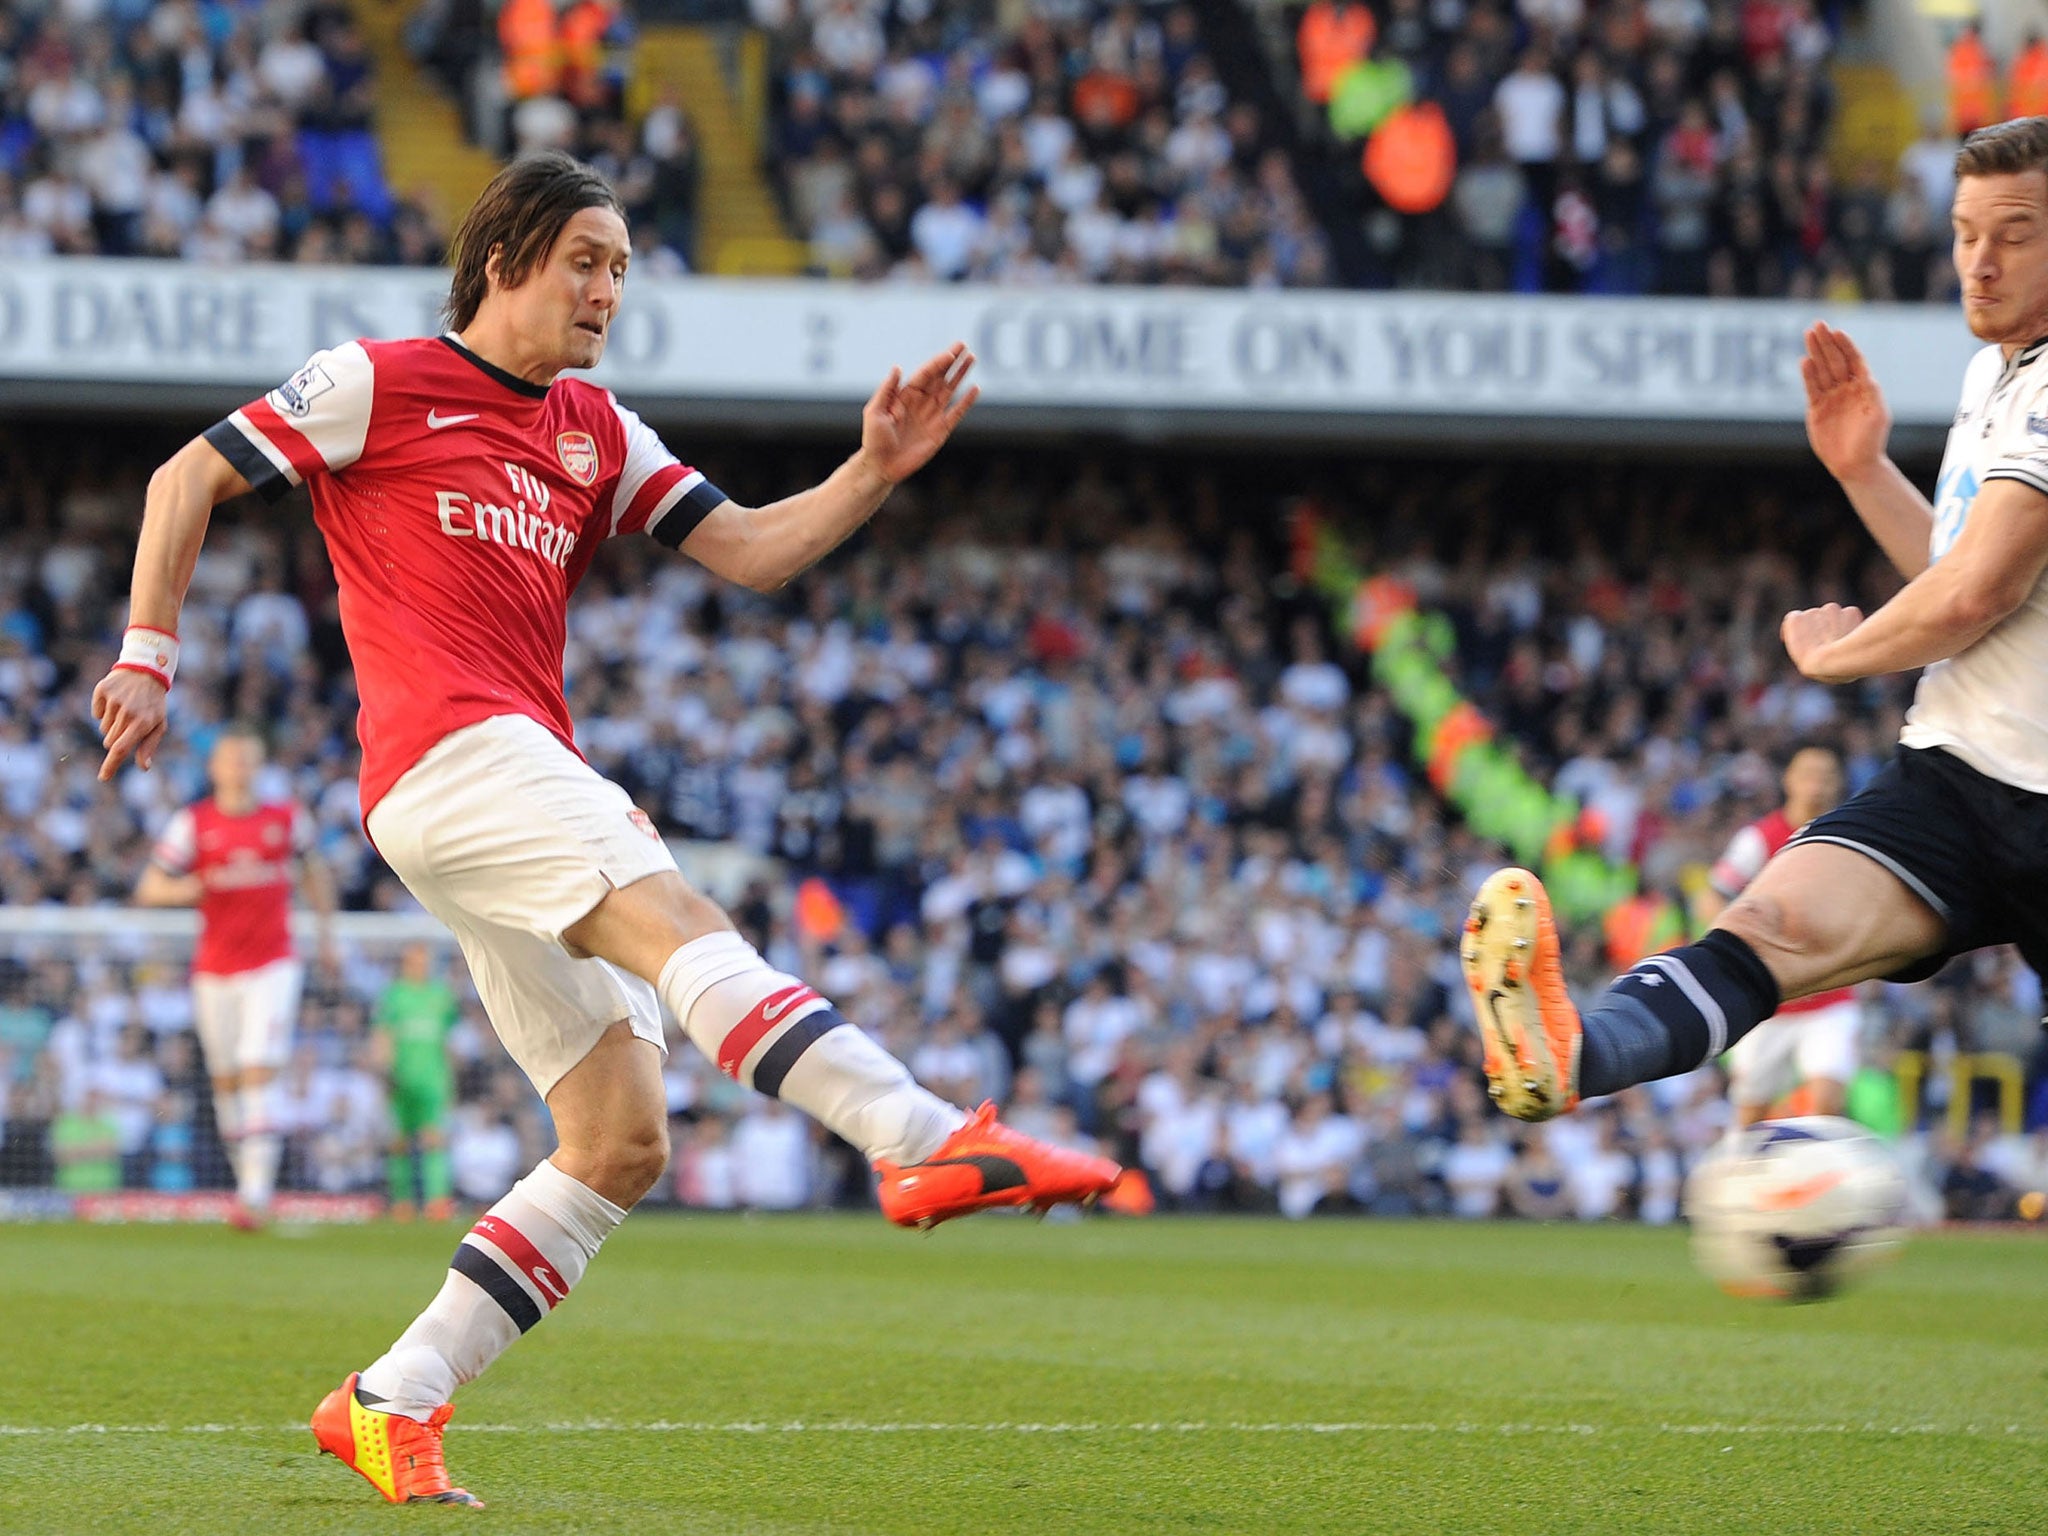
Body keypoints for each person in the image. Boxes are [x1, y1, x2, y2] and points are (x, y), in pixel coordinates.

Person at [91, 151, 1140, 1510]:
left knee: (619, 1139)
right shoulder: (377, 381)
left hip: (494, 778)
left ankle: (387, 1401)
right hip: (457, 754)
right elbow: (186, 478)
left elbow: (753, 552)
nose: (607, 291)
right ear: (508, 255)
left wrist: (873, 469)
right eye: (587, 260)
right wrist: (148, 656)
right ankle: (916, 1132)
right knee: (683, 921)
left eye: (623, 270)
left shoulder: (596, 430)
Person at [1459, 117, 2048, 1131]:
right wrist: (1863, 470)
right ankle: (1569, 1051)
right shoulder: (1991, 374)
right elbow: (1959, 575)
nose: (1978, 263)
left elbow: (1971, 597)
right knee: (1770, 923)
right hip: (1958, 773)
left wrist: (1837, 658)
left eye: (2015, 232)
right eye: (1962, 233)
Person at [134, 725, 336, 1227]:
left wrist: (327, 935)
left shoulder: (286, 819)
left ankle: (254, 1194)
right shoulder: (194, 823)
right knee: (226, 1080)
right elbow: (151, 886)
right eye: (232, 759)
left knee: (256, 1065)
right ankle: (246, 1183)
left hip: (273, 963)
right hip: (215, 968)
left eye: (250, 759)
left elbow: (315, 871)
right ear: (215, 768)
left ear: (260, 767)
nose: (241, 768)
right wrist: (189, 890)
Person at [1694, 743, 1861, 1126]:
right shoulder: (1761, 838)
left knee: (1827, 1104)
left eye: (1826, 777)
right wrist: (1733, 952)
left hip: (1829, 996)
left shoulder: (1850, 835)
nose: (1817, 786)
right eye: (1809, 775)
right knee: (1750, 1113)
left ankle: (1813, 1181)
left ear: (1837, 785)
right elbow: (1714, 893)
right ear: (1790, 781)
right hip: (1770, 1001)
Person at [373, 942, 463, 1221]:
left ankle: (437, 1202)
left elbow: (448, 1041)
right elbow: (383, 1036)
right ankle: (403, 1203)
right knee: (398, 1142)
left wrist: (451, 1080)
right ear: (406, 964)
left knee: (434, 1140)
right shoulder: (394, 996)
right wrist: (384, 1070)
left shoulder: (442, 996)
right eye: (416, 962)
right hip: (400, 1079)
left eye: (425, 962)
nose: (421, 967)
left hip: (433, 1079)